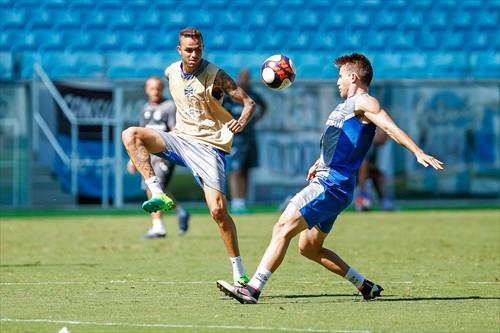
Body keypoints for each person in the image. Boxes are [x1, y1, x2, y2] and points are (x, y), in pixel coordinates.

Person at [216, 53, 444, 304]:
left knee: (282, 227)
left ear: (354, 77)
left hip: (332, 183)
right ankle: (364, 285)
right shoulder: (345, 106)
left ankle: (252, 289)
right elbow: (339, 140)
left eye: (341, 76)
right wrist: (319, 160)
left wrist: (417, 151)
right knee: (309, 248)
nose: (337, 81)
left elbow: (390, 127)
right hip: (335, 183)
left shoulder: (365, 102)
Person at [122, 27, 256, 286]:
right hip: (181, 139)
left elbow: (249, 102)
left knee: (218, 211)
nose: (194, 55)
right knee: (131, 134)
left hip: (209, 147)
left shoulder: (216, 75)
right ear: (179, 50)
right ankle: (157, 192)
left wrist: (240, 122)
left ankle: (238, 270)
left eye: (198, 49)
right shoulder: (171, 71)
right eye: (189, 50)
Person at [127, 76, 190, 238]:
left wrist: (165, 151)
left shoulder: (169, 107)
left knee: (154, 188)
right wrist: (133, 158)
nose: (155, 91)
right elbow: (139, 135)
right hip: (148, 156)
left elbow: (175, 131)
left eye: (158, 88)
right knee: (155, 189)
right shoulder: (145, 108)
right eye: (152, 88)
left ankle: (158, 227)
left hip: (164, 154)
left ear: (162, 89)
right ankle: (181, 212)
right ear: (147, 90)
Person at [223, 68, 268, 214]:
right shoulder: (231, 95)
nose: (245, 79)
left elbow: (264, 107)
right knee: (235, 170)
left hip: (250, 136)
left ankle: (243, 200)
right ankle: (236, 202)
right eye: (242, 77)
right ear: (238, 78)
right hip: (235, 138)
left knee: (247, 169)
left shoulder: (253, 95)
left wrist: (255, 121)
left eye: (247, 77)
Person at [354, 128, 394, 211]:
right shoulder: (370, 143)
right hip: (349, 170)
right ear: (379, 134)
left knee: (378, 175)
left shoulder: (375, 146)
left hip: (356, 170)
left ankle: (384, 202)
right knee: (370, 170)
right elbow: (362, 163)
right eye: (386, 136)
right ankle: (362, 195)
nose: (387, 139)